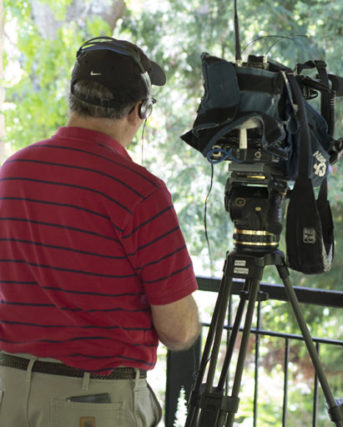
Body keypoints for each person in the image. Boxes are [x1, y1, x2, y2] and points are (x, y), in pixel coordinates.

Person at [0, 37, 201, 426]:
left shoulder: (11, 172)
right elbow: (177, 331)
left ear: (72, 100)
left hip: (7, 390)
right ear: (139, 110)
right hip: (92, 401)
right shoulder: (140, 192)